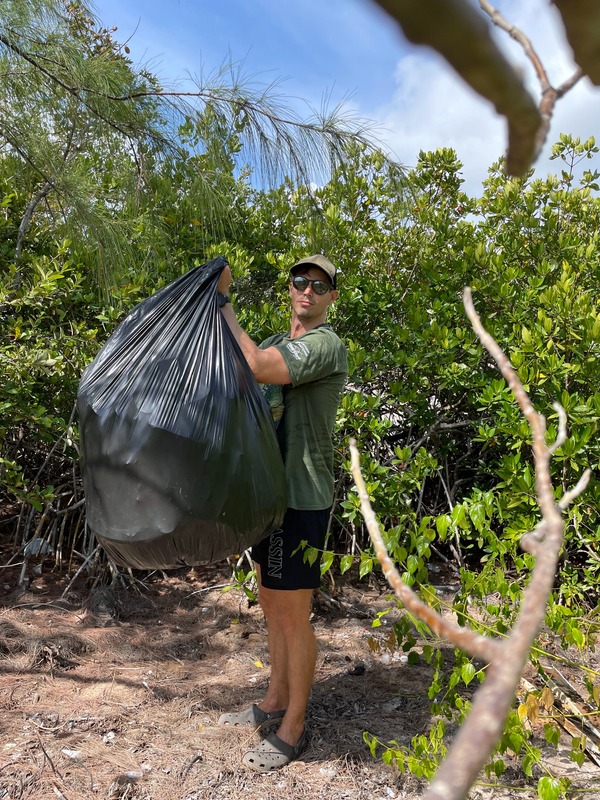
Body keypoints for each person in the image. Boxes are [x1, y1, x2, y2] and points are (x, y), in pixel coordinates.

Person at [215, 254, 348, 772]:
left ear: (331, 297)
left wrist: (222, 302)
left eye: (319, 285)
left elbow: (254, 365)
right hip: (272, 497)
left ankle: (293, 727)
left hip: (304, 497)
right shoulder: (283, 339)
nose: (308, 291)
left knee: (294, 615)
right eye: (300, 281)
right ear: (290, 288)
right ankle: (272, 700)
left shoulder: (324, 344)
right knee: (270, 599)